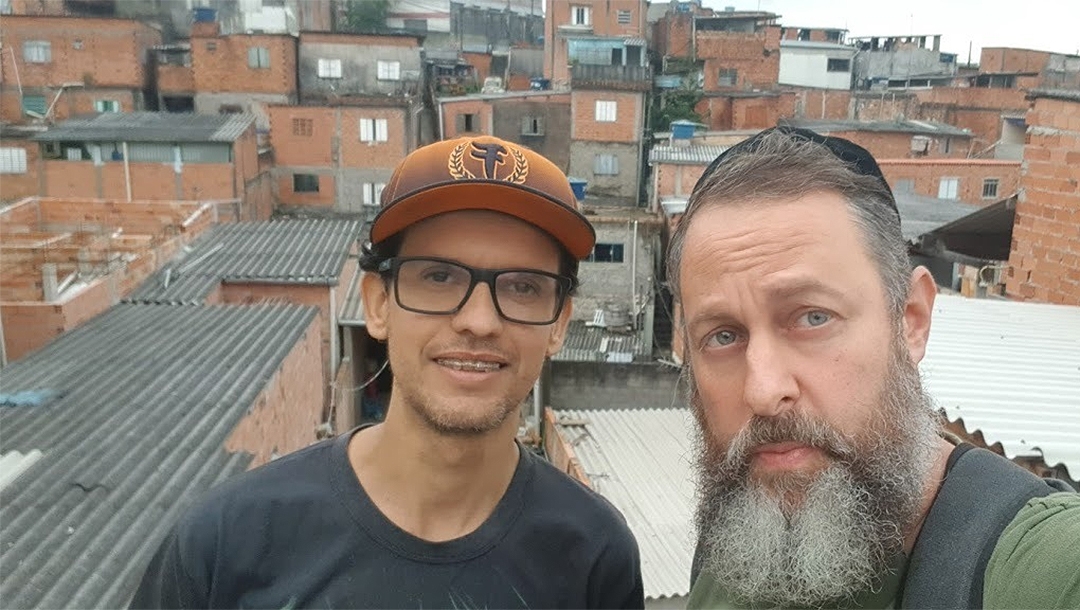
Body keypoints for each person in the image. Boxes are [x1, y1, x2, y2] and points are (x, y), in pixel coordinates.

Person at [131, 135, 645, 609]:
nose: (479, 321)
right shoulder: (225, 544)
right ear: (378, 304)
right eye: (439, 277)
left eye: (523, 287)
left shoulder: (594, 558)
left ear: (559, 324)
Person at [669, 126, 1080, 609]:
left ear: (911, 320)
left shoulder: (1040, 568)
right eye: (723, 336)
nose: (763, 390)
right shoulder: (735, 542)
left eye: (812, 318)